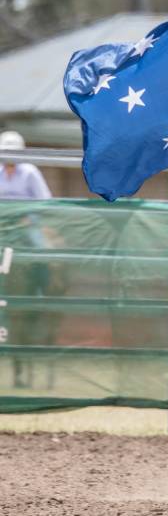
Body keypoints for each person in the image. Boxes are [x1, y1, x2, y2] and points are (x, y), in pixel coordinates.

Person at [0, 130, 57, 389]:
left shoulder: (30, 172)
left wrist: (26, 216)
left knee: (40, 249)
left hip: (25, 227)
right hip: (2, 227)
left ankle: (42, 291)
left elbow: (46, 202)